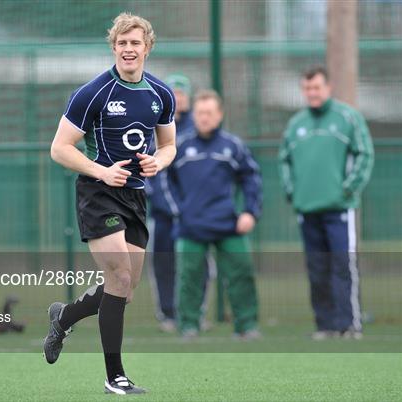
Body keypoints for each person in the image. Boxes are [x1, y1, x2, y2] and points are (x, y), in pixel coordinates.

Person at [44, 13, 176, 395]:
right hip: (98, 193)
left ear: (147, 47)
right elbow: (59, 148)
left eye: (135, 43)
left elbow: (168, 146)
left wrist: (158, 161)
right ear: (113, 47)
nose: (129, 50)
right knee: (118, 278)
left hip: (134, 195)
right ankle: (114, 376)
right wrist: (101, 172)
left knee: (125, 287)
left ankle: (64, 317)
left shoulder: (161, 95)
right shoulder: (93, 93)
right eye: (122, 43)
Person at [278, 66, 374, 340]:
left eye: (317, 87)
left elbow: (365, 153)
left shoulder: (347, 117)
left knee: (342, 265)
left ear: (328, 88)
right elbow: (284, 160)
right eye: (307, 89)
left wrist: (349, 189)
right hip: (307, 210)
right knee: (317, 268)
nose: (312, 93)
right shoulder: (296, 124)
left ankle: (349, 324)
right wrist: (292, 191)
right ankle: (326, 325)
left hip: (339, 209)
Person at [168, 89, 262, 339]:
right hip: (191, 226)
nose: (204, 118)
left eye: (209, 113)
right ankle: (188, 326)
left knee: (241, 273)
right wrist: (180, 210)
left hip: (228, 224)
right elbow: (165, 182)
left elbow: (252, 179)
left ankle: (247, 326)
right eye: (200, 113)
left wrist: (249, 213)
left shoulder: (233, 146)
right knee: (189, 278)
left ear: (219, 115)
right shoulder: (180, 146)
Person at [146, 73, 196, 332]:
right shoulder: (153, 126)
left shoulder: (198, 129)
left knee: (194, 265)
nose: (177, 98)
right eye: (172, 93)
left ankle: (193, 312)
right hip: (162, 215)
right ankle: (167, 313)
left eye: (182, 93)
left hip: (192, 215)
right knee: (163, 264)